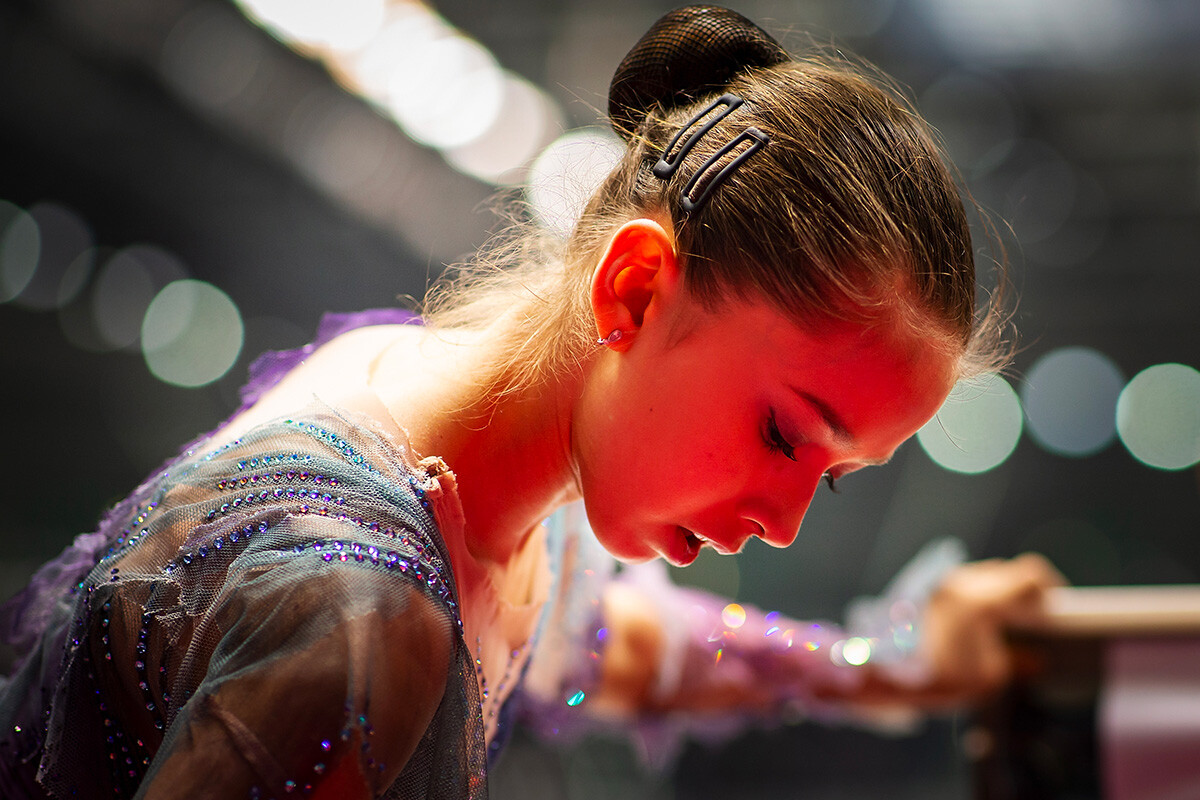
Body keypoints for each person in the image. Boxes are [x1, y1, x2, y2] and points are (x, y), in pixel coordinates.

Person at [0, 6, 1061, 799]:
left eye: (829, 476)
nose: (784, 520)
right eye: (782, 431)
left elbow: (621, 637)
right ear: (633, 287)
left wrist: (897, 663)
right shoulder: (359, 621)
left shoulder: (442, 420)